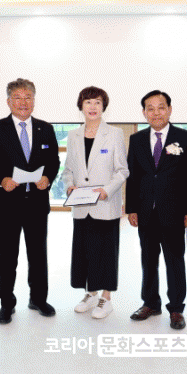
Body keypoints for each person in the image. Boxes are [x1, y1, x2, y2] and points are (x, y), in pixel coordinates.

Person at [0, 78, 60, 324]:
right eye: (17, 97)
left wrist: (48, 177)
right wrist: (1, 179)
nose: (23, 102)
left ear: (34, 101)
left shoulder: (45, 128)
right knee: (6, 256)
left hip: (36, 202)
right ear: (8, 101)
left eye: (28, 97)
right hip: (7, 203)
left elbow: (54, 161)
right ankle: (6, 303)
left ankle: (38, 299)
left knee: (38, 255)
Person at [126, 90, 187, 330]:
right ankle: (150, 303)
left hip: (174, 212)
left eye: (161, 107)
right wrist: (132, 208)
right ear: (144, 113)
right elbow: (133, 177)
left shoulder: (185, 138)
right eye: (150, 108)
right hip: (146, 211)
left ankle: (176, 308)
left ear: (169, 110)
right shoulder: (137, 139)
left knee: (174, 260)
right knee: (148, 260)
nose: (156, 113)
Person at [61, 87, 129, 319]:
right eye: (88, 102)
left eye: (97, 102)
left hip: (105, 204)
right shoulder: (73, 135)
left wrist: (106, 191)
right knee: (86, 252)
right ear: (81, 106)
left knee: (107, 252)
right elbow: (68, 169)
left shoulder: (115, 133)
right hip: (81, 206)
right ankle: (90, 293)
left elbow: (122, 170)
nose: (92, 107)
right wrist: (69, 185)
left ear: (103, 107)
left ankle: (106, 298)